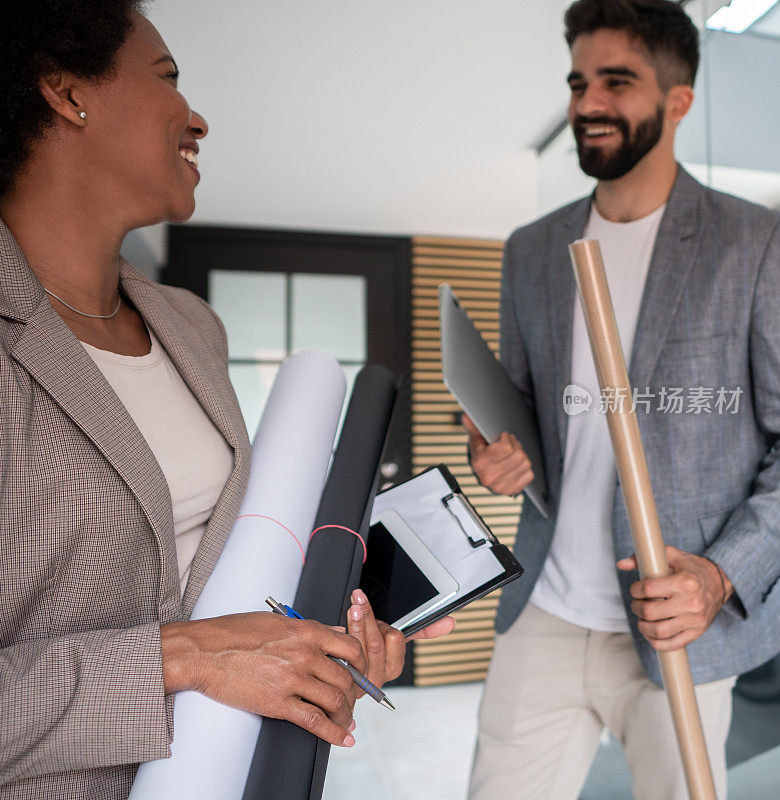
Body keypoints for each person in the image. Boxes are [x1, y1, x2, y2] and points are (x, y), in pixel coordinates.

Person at [0, 3, 452, 798]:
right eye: (167, 79)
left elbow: (209, 559)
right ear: (68, 95)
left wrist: (329, 615)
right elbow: (199, 635)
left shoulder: (190, 327)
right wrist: (186, 656)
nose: (197, 116)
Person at [466, 1, 780, 799]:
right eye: (578, 83)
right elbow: (527, 411)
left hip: (678, 623)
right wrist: (494, 452)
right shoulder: (531, 250)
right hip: (545, 612)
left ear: (679, 102)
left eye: (616, 81)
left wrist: (719, 575)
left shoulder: (754, 243)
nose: (587, 104)